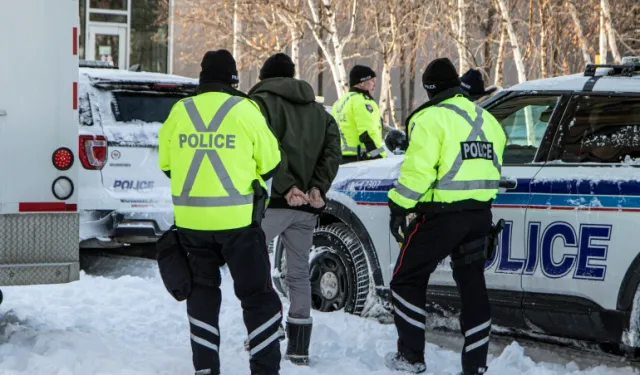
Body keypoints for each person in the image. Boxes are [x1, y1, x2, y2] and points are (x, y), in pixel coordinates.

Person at [157, 49, 284, 375]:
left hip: (191, 225)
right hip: (239, 225)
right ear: (233, 79)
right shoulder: (245, 109)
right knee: (258, 298)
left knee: (201, 296)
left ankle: (205, 369)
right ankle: (265, 370)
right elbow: (270, 163)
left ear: (201, 78)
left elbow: (167, 165)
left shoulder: (180, 111)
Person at [384, 57, 506, 375]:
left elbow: (418, 172)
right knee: (473, 286)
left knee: (405, 280)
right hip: (481, 215)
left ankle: (411, 357)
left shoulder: (431, 118)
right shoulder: (488, 119)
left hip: (441, 216)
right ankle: (475, 365)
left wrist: (398, 205)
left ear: (430, 89)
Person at [248, 53, 341, 366]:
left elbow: (265, 148)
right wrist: (317, 187)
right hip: (306, 208)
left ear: (265, 76)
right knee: (299, 274)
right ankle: (299, 347)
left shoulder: (260, 104)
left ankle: (265, 331)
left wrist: (286, 187)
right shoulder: (319, 111)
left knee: (256, 271)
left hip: (271, 204)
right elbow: (332, 151)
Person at [331, 65, 386, 164]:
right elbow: (367, 133)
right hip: (361, 160)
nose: (374, 85)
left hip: (340, 160)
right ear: (361, 83)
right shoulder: (363, 101)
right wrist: (378, 157)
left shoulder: (338, 103)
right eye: (372, 81)